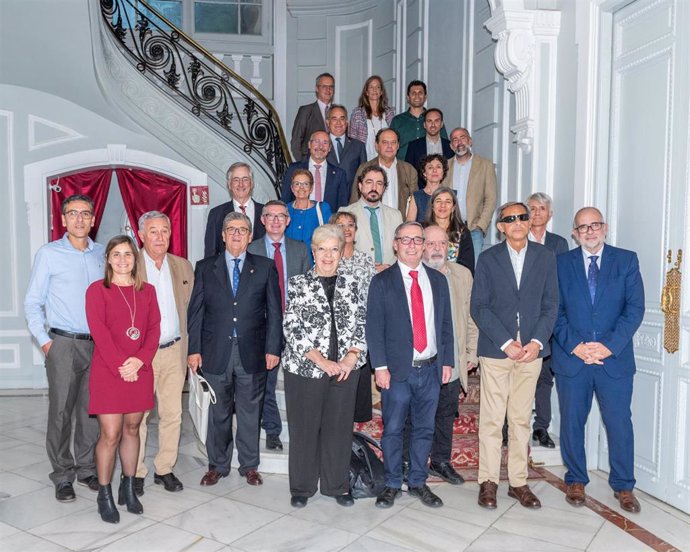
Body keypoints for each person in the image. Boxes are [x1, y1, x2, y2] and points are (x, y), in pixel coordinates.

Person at [553, 207, 644, 513]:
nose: (590, 231)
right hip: (573, 360)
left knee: (619, 423)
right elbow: (554, 310)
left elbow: (634, 309)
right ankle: (576, 479)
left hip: (613, 361)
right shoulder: (561, 263)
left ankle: (624, 486)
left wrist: (608, 346)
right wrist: (576, 346)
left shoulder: (626, 260)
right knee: (572, 422)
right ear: (575, 233)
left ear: (605, 228)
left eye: (595, 225)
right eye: (583, 227)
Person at [470, 201, 558, 510]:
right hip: (497, 349)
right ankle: (489, 482)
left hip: (531, 352)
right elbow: (479, 306)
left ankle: (518, 482)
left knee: (521, 419)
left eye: (523, 216)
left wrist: (536, 342)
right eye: (511, 219)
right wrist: (507, 342)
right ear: (501, 227)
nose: (519, 222)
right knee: (493, 420)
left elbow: (551, 305)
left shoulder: (545, 257)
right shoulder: (488, 258)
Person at [188, 212, 282, 488]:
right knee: (218, 414)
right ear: (223, 235)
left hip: (252, 352)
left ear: (251, 236)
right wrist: (194, 350)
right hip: (215, 351)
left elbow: (274, 312)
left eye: (242, 230)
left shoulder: (264, 267)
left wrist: (273, 347)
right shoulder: (206, 267)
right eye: (231, 229)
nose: (237, 235)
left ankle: (249, 466)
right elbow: (196, 313)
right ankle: (217, 465)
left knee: (250, 413)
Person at [367, 222, 454, 509]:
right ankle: (392, 483)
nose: (413, 245)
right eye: (407, 240)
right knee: (392, 429)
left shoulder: (438, 281)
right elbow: (374, 327)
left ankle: (417, 481)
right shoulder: (382, 281)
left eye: (419, 240)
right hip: (397, 371)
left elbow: (445, 325)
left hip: (430, 368)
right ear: (395, 244)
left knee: (424, 429)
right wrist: (379, 366)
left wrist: (448, 361)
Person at [24, 194, 103, 503]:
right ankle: (62, 475)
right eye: (73, 214)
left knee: (90, 411)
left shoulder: (102, 254)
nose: (80, 219)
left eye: (85, 214)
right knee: (60, 413)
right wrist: (46, 342)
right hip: (63, 343)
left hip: (97, 345)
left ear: (93, 219)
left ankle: (86, 469)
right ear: (64, 219)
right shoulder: (49, 254)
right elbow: (33, 302)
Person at [282, 224, 368, 508]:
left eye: (334, 249)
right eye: (322, 249)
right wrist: (322, 361)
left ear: (342, 252)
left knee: (339, 429)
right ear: (313, 251)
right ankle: (302, 487)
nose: (328, 255)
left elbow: (363, 324)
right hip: (306, 370)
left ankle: (336, 485)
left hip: (346, 370)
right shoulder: (297, 284)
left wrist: (350, 358)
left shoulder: (353, 284)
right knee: (304, 429)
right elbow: (292, 327)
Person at [85, 235, 161, 524]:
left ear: (135, 259)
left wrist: (139, 360)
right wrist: (121, 365)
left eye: (127, 254)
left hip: (140, 369)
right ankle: (103, 493)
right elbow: (99, 333)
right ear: (107, 259)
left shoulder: (148, 291)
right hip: (108, 371)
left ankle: (128, 488)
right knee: (111, 434)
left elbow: (154, 329)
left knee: (133, 428)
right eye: (116, 254)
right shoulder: (97, 291)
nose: (122, 260)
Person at [134, 212, 194, 496]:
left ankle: (164, 468)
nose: (160, 237)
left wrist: (192, 351)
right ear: (142, 235)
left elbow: (192, 312)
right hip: (141, 356)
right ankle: (135, 471)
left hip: (174, 351)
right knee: (138, 416)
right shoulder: (129, 265)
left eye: (164, 231)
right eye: (153, 232)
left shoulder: (182, 266)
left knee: (172, 414)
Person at [248, 200, 311, 452]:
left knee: (300, 383)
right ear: (262, 220)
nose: (275, 220)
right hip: (264, 327)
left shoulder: (301, 250)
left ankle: (302, 430)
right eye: (270, 216)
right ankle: (272, 430)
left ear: (288, 220)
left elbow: (308, 290)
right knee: (267, 382)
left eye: (281, 216)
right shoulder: (250, 249)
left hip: (296, 327)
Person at [421, 225, 478, 484]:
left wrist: (471, 352)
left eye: (441, 244)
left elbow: (471, 317)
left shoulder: (463, 275)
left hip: (452, 359)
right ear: (421, 246)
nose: (436, 249)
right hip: (420, 361)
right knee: (418, 414)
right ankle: (414, 461)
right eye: (430, 244)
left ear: (449, 247)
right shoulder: (414, 274)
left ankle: (441, 460)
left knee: (445, 413)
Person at [526, 192, 569, 449]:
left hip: (550, 318)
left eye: (542, 208)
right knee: (515, 376)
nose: (537, 213)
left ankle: (541, 426)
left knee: (545, 376)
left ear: (550, 214)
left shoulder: (559, 244)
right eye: (532, 208)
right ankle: (509, 426)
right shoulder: (518, 239)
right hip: (522, 319)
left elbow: (563, 281)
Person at [330, 211, 377, 423]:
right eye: (341, 225)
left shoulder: (365, 260)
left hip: (361, 331)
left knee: (359, 390)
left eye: (351, 224)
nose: (347, 229)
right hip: (334, 333)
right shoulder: (328, 258)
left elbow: (372, 296)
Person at [442, 128, 496, 262]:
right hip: (449, 229)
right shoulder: (444, 166)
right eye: (455, 139)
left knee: (474, 270)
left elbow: (491, 198)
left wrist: (481, 226)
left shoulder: (485, 165)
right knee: (451, 269)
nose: (459, 142)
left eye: (463, 137)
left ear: (470, 141)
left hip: (474, 230)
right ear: (451, 146)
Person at [340, 166, 403, 271]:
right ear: (360, 186)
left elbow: (401, 248)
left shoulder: (396, 215)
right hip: (357, 275)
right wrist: (368, 268)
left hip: (390, 275)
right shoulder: (345, 213)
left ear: (383, 189)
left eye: (379, 183)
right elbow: (340, 249)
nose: (374, 188)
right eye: (369, 182)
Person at [350, 128, 419, 217]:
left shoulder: (409, 170)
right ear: (377, 145)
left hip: (400, 225)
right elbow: (354, 200)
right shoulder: (364, 168)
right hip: (371, 223)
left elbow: (415, 203)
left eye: (393, 142)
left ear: (398, 146)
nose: (389, 146)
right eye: (385, 142)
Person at [204, 162, 265, 258]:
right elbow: (210, 254)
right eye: (236, 180)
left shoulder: (266, 212)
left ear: (252, 183)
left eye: (245, 179)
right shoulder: (216, 214)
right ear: (229, 184)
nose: (241, 184)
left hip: (262, 271)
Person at [281, 130, 350, 213]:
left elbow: (342, 206)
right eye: (317, 141)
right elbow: (285, 199)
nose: (320, 146)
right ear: (309, 144)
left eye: (325, 143)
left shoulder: (339, 174)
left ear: (329, 148)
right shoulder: (294, 169)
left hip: (328, 222)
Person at [390, 80, 448, 160]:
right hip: (404, 168)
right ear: (408, 97)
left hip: (429, 168)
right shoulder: (397, 121)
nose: (417, 96)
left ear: (425, 97)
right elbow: (390, 146)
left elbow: (445, 145)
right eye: (413, 93)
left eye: (420, 93)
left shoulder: (435, 120)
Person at [424, 186, 475, 275]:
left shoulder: (463, 232)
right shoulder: (422, 229)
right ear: (432, 206)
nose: (443, 205)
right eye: (438, 201)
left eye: (448, 202)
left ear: (453, 207)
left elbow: (467, 266)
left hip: (454, 279)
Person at [284, 169, 332, 255]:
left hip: (314, 262)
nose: (301, 187)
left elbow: (330, 238)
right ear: (292, 188)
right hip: (290, 261)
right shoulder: (285, 210)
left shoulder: (322, 209)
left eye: (306, 184)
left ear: (311, 188)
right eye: (297, 184)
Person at [348, 75, 395, 160]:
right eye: (371, 87)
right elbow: (352, 140)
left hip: (386, 159)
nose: (374, 90)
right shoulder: (357, 113)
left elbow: (394, 137)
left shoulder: (389, 113)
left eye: (377, 87)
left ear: (381, 92)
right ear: (366, 92)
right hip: (364, 159)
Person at [291, 72, 334, 160]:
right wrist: (303, 164)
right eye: (324, 86)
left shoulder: (337, 112)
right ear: (317, 88)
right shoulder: (306, 111)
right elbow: (296, 143)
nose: (328, 90)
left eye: (331, 87)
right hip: (310, 164)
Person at [325, 104, 367, 190]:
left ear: (347, 122)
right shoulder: (320, 145)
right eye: (334, 119)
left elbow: (364, 175)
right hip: (326, 197)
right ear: (327, 122)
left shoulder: (358, 146)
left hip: (351, 197)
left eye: (342, 118)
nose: (338, 123)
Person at [404, 109, 453, 181]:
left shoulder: (450, 146)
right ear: (424, 125)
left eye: (436, 121)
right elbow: (408, 173)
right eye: (429, 121)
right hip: (421, 190)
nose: (433, 125)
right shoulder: (414, 146)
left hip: (444, 190)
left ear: (441, 124)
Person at [406, 154, 448, 224]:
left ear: (443, 172)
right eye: (430, 167)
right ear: (424, 173)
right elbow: (409, 225)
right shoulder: (417, 196)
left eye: (438, 167)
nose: (434, 170)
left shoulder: (451, 195)